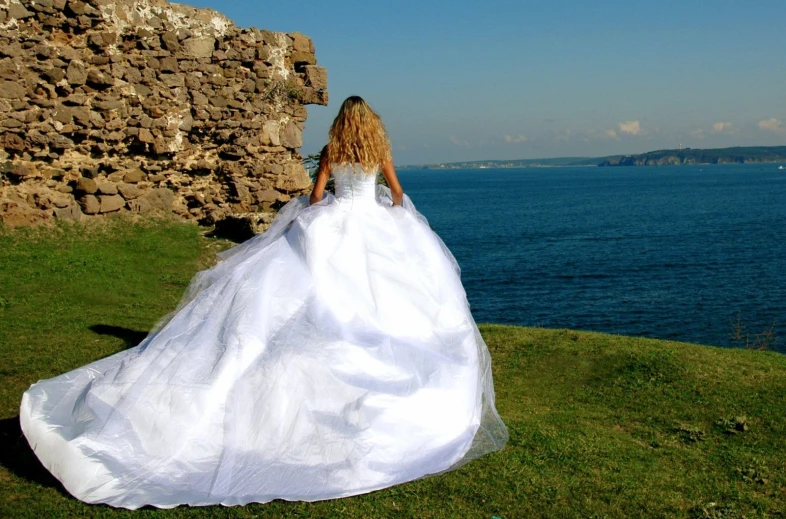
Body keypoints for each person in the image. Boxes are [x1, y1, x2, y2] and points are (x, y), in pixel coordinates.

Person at [19, 96, 508, 509]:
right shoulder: (378, 151)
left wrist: (320, 210)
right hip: (373, 226)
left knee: (309, 292)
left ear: (341, 124)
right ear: (372, 126)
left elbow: (316, 198)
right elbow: (398, 195)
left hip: (335, 226)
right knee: (383, 301)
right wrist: (393, 220)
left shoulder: (331, 150)